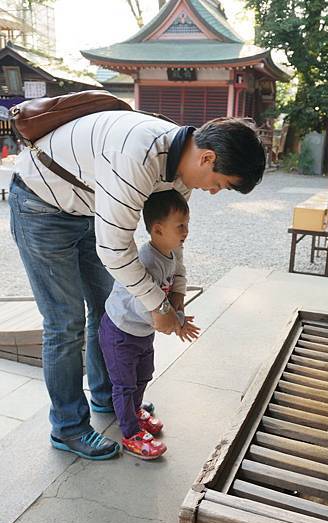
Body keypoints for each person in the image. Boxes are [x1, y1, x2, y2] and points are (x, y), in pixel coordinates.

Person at [9, 112, 266, 460]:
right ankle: (68, 427)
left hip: (89, 208)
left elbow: (171, 242)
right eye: (219, 183)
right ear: (208, 158)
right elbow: (115, 251)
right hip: (41, 205)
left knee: (106, 311)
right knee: (64, 323)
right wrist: (157, 307)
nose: (214, 192)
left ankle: (109, 397)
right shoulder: (139, 155)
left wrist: (175, 293)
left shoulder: (180, 173)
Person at [99, 189, 199, 460]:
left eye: (187, 224)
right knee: (124, 384)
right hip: (120, 331)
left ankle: (136, 409)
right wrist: (176, 323)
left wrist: (178, 304)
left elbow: (178, 273)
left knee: (144, 374)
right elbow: (147, 309)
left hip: (141, 333)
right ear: (157, 229)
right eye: (180, 226)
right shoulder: (146, 261)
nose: (186, 231)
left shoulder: (171, 250)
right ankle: (130, 434)